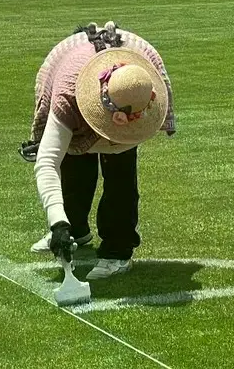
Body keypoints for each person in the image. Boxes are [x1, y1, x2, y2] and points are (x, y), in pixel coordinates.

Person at [26, 22, 175, 280]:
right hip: (72, 68)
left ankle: (118, 250)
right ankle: (74, 227)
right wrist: (58, 222)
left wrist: (118, 135)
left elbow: (122, 135)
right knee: (73, 157)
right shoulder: (67, 95)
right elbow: (48, 162)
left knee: (120, 172)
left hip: (130, 74)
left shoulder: (140, 87)